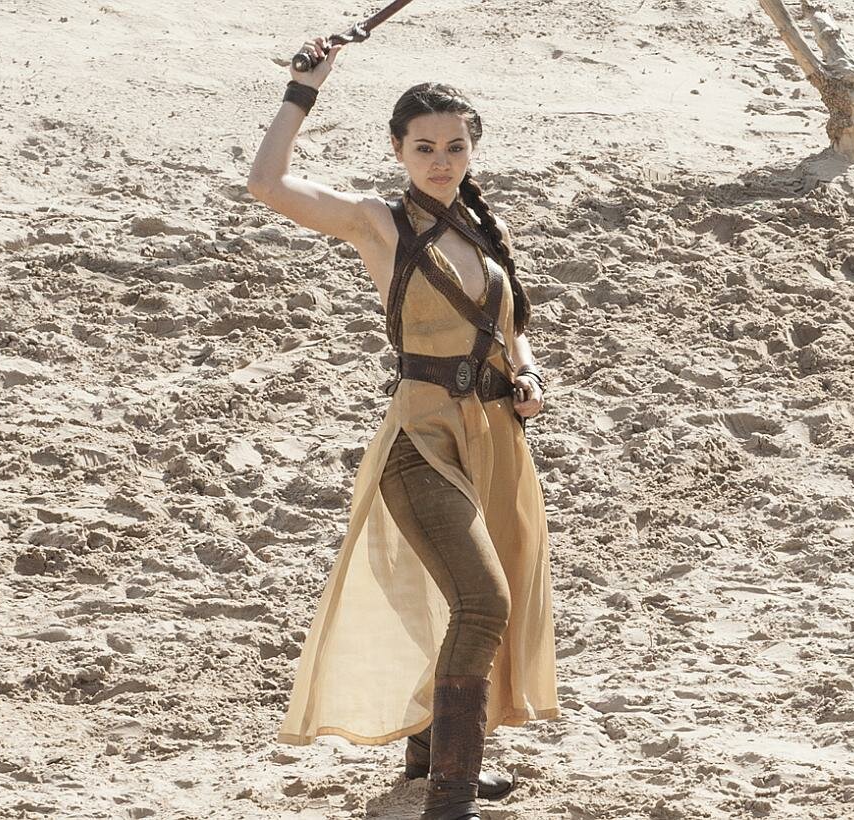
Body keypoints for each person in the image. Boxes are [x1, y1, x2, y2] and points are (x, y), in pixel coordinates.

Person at [247, 37, 561, 820]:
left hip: (495, 438)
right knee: (483, 601)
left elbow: (510, 328)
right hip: (422, 439)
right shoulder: (378, 224)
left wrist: (528, 374)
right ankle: (450, 796)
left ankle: (430, 752)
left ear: (472, 148)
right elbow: (267, 184)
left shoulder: (485, 230)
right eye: (424, 147)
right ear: (398, 150)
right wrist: (302, 91)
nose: (441, 160)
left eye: (454, 146)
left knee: (474, 598)